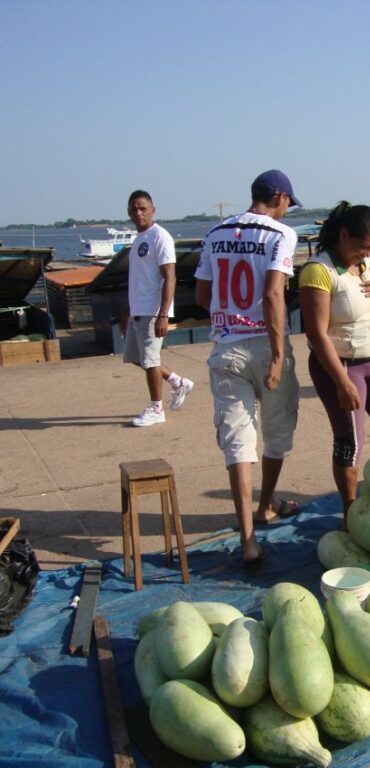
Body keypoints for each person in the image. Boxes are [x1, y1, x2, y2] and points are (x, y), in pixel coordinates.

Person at [194, 170, 301, 566]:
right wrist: (276, 355)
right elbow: (274, 294)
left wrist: (230, 314)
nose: (288, 209)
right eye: (289, 201)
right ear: (277, 196)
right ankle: (266, 504)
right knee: (276, 432)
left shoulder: (214, 233)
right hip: (264, 344)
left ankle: (248, 539)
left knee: (238, 442)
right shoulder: (279, 235)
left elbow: (204, 295)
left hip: (226, 348)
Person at [298, 202, 370, 524]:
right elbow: (316, 335)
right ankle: (350, 513)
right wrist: (342, 383)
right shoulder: (318, 272)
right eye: (363, 247)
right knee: (351, 443)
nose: (368, 253)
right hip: (342, 367)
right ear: (344, 235)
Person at [123, 190, 194, 427]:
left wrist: (164, 314)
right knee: (138, 358)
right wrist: (128, 311)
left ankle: (156, 409)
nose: (138, 212)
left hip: (153, 312)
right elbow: (137, 280)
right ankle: (177, 381)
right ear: (128, 213)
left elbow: (170, 277)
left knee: (151, 361)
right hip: (138, 311)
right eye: (134, 208)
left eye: (143, 208)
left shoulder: (159, 237)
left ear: (153, 209)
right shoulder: (137, 240)